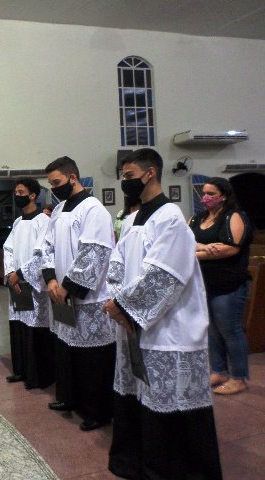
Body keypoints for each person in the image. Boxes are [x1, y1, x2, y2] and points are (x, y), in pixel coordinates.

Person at [103, 148, 222, 480]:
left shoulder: (171, 218)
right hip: (136, 322)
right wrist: (117, 302)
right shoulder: (132, 220)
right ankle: (138, 463)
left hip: (170, 326)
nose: (125, 182)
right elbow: (116, 265)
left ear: (150, 173)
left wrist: (124, 307)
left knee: (168, 399)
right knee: (138, 394)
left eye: (129, 176)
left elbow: (165, 275)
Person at [39, 156, 116, 432]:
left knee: (92, 359)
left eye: (57, 182)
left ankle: (98, 411)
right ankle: (69, 398)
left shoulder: (94, 210)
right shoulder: (59, 210)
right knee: (66, 351)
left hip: (87, 297)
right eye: (50, 184)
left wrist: (68, 287)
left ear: (73, 177)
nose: (54, 188)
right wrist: (50, 279)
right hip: (60, 293)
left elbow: (94, 253)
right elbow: (46, 247)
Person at [190, 177, 252, 395]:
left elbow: (231, 248)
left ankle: (239, 377)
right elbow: (185, 242)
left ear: (223, 196)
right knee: (212, 330)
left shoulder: (233, 216)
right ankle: (219, 371)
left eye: (211, 194)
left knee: (230, 330)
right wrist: (205, 248)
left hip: (229, 283)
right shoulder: (197, 218)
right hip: (204, 283)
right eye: (204, 193)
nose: (206, 197)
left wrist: (196, 253)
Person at [3, 177, 54, 389]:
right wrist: (10, 273)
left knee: (35, 328)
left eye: (21, 192)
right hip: (17, 284)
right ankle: (22, 371)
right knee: (19, 326)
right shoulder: (17, 222)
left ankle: (38, 376)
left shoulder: (44, 222)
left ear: (33, 195)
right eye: (16, 192)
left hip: (33, 285)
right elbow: (8, 249)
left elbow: (43, 255)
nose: (17, 196)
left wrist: (21, 274)